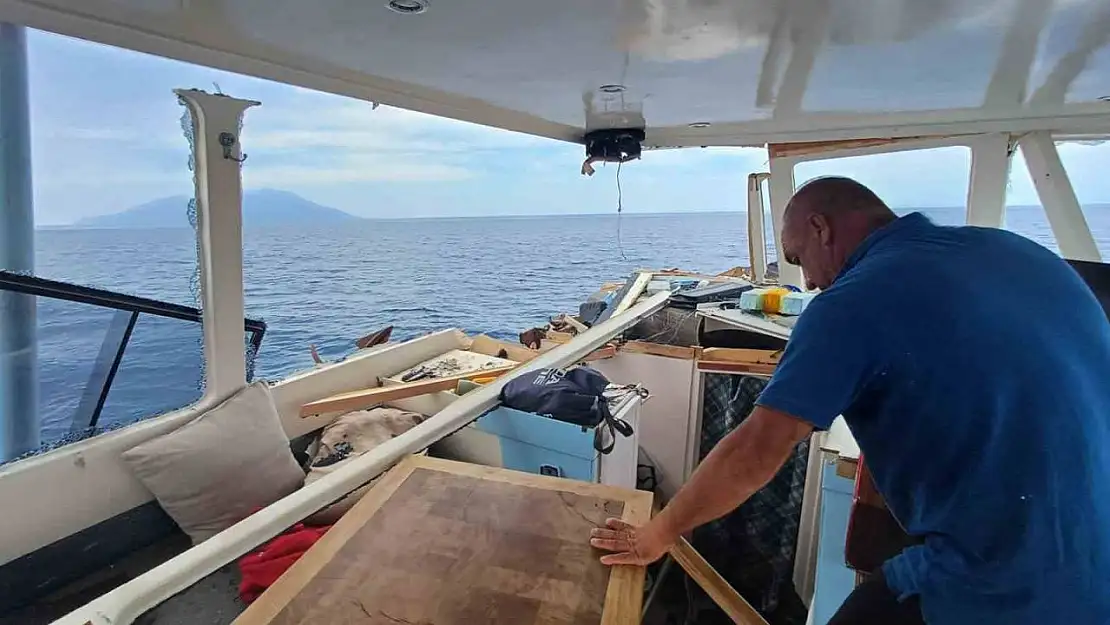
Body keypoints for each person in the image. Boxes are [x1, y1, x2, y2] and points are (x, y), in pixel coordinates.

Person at [590, 177, 1110, 624]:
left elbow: (755, 452)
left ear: (822, 228)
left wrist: (658, 533)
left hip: (1006, 575)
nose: (809, 281)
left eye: (797, 258)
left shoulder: (852, 302)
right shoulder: (1015, 251)